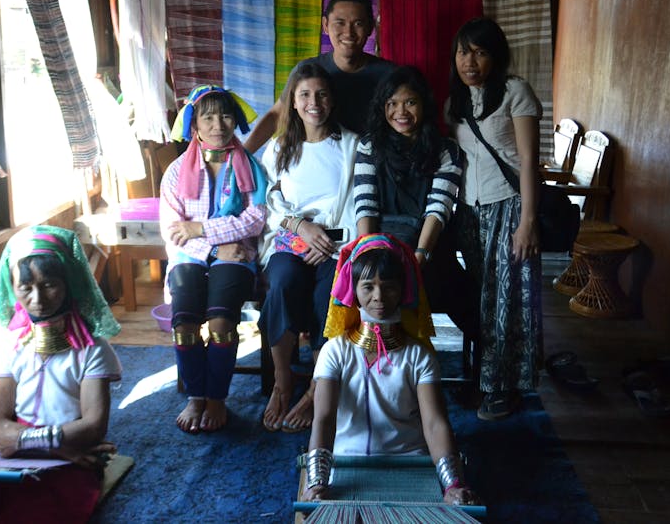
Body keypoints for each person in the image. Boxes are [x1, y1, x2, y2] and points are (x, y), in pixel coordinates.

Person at [0, 225, 123, 523]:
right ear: (12, 287)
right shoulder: (8, 345)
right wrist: (55, 448)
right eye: (26, 287)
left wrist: (25, 443)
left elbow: (93, 426)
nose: (38, 298)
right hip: (42, 451)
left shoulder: (92, 349)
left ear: (68, 282)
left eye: (49, 284)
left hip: (71, 460)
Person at [301, 234, 478, 507]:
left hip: (410, 461)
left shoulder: (418, 356)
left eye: (389, 287)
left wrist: (453, 484)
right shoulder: (335, 352)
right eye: (368, 286)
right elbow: (324, 419)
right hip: (346, 462)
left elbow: (435, 423)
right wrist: (317, 482)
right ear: (353, 289)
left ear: (404, 291)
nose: (379, 297)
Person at [445, 17, 543, 421]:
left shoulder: (515, 92)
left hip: (510, 206)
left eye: (480, 53)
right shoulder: (455, 101)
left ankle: (505, 386)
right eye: (463, 52)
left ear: (496, 56)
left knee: (508, 299)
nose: (469, 62)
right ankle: (483, 376)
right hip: (469, 210)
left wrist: (528, 222)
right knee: (480, 297)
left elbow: (529, 162)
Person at [159, 85, 268, 434]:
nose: (218, 125)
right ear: (194, 125)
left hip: (237, 255)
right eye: (208, 118)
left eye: (225, 116)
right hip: (192, 256)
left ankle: (217, 398)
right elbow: (173, 231)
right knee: (184, 328)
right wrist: (214, 246)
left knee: (221, 324)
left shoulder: (251, 167)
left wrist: (200, 229)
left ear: (235, 120)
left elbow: (256, 219)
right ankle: (196, 396)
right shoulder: (176, 171)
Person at [259, 62, 358, 433]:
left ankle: (318, 387)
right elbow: (269, 200)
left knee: (329, 294)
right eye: (304, 95)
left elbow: (360, 203)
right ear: (293, 102)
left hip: (339, 244)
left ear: (332, 100)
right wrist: (300, 226)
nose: (313, 102)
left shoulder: (351, 145)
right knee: (282, 282)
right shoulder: (279, 148)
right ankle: (283, 380)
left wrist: (331, 241)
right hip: (292, 238)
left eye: (321, 94)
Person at [353, 65, 471, 330]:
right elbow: (365, 205)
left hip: (428, 246)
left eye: (410, 102)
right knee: (368, 282)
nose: (401, 112)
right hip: (380, 245)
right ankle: (371, 348)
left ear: (424, 104)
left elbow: (438, 208)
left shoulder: (446, 150)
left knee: (466, 302)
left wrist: (420, 256)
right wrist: (368, 254)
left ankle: (416, 351)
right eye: (392, 103)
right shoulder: (370, 145)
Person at [244, 0, 395, 152]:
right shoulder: (307, 71)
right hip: (321, 161)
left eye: (358, 23)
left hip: (374, 163)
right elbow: (277, 115)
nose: (348, 32)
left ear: (370, 27)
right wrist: (242, 157)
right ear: (325, 25)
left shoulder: (390, 75)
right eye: (340, 23)